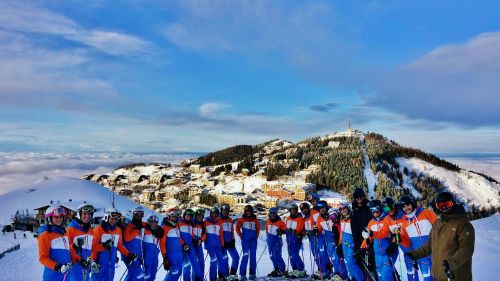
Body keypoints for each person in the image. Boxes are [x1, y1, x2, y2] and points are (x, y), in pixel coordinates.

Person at [407, 192, 475, 281]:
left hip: (455, 275)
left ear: (453, 203)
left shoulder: (463, 224)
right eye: (440, 205)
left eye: (447, 204)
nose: (443, 208)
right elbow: (429, 246)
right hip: (439, 275)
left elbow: (467, 249)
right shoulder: (437, 223)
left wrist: (452, 263)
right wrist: (414, 254)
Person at [399, 195, 438, 281]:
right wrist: (399, 238)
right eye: (403, 206)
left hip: (436, 251)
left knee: (440, 276)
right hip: (421, 255)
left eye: (407, 204)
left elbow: (440, 229)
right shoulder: (404, 222)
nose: (406, 208)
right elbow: (407, 242)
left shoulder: (427, 213)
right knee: (427, 278)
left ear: (412, 203)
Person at [91, 208, 134, 281]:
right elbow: (93, 247)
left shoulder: (118, 230)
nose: (114, 221)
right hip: (99, 263)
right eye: (112, 218)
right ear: (106, 217)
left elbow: (119, 246)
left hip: (111, 264)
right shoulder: (98, 229)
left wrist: (128, 254)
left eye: (116, 219)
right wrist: (94, 260)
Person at [359, 200, 393, 281]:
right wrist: (362, 248)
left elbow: (385, 233)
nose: (375, 212)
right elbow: (368, 237)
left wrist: (393, 245)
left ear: (381, 208)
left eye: (376, 209)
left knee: (386, 277)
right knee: (380, 276)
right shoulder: (371, 222)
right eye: (372, 210)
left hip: (387, 254)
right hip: (377, 255)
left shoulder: (387, 219)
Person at [383, 197, 415, 281]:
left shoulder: (403, 214)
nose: (388, 210)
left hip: (413, 244)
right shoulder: (387, 219)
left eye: (390, 207)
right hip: (404, 246)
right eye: (386, 208)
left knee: (415, 268)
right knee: (410, 268)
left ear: (394, 205)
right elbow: (387, 233)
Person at [37, 205, 73, 281]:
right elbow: (42, 258)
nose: (59, 219)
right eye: (56, 217)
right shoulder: (45, 235)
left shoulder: (65, 233)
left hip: (66, 275)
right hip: (53, 276)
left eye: (61, 217)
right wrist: (57, 267)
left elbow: (67, 252)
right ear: (49, 219)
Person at [67, 203, 99, 281]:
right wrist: (74, 246)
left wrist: (93, 262)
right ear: (79, 214)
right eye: (85, 213)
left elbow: (92, 249)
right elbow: (66, 249)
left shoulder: (91, 232)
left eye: (89, 214)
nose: (87, 216)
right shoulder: (70, 229)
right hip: (74, 269)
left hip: (86, 268)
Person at [317, 207, 347, 280]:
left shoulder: (338, 221)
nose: (332, 218)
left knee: (338, 258)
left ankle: (342, 274)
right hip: (330, 240)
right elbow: (319, 227)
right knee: (333, 257)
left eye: (334, 216)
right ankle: (336, 272)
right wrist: (316, 229)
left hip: (338, 240)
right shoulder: (321, 218)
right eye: (331, 217)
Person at [338, 202, 365, 281]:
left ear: (348, 209)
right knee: (347, 263)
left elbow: (357, 232)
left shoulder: (352, 218)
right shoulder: (342, 219)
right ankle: (353, 278)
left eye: (345, 208)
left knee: (351, 264)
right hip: (344, 245)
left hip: (351, 245)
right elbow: (342, 233)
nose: (343, 210)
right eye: (341, 209)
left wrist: (358, 245)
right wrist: (340, 244)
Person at [204, 207, 229, 281]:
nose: (214, 215)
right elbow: (204, 234)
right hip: (210, 245)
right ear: (210, 214)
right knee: (214, 260)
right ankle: (213, 278)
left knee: (221, 260)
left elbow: (221, 234)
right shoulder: (206, 221)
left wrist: (222, 244)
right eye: (213, 213)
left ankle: (221, 276)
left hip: (218, 245)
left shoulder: (219, 222)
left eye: (216, 213)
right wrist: (206, 246)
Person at [235, 204, 259, 281]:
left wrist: (256, 237)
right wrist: (241, 236)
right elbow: (237, 229)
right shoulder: (241, 219)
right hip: (245, 241)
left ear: (252, 211)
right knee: (245, 256)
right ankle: (242, 274)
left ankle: (252, 274)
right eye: (247, 211)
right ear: (245, 211)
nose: (248, 212)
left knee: (253, 257)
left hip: (253, 241)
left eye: (250, 211)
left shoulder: (255, 219)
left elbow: (258, 229)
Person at [179, 209, 203, 281]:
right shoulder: (179, 222)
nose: (188, 217)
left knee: (196, 264)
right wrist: (183, 244)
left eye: (190, 216)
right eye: (187, 215)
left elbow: (191, 235)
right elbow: (177, 235)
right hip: (183, 247)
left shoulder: (191, 224)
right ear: (184, 215)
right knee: (187, 265)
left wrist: (194, 240)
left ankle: (200, 279)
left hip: (191, 246)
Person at [123, 206, 147, 281]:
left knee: (131, 275)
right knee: (139, 276)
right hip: (129, 255)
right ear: (133, 214)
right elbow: (126, 238)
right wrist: (137, 230)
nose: (139, 216)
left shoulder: (141, 226)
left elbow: (138, 244)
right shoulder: (130, 225)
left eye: (141, 214)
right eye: (137, 214)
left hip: (137, 256)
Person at [161, 208, 184, 281]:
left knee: (179, 272)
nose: (174, 218)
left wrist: (184, 244)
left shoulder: (176, 226)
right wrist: (164, 256)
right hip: (171, 254)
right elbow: (162, 243)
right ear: (168, 216)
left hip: (179, 253)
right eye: (172, 216)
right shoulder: (165, 227)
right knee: (174, 272)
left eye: (176, 216)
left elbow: (178, 238)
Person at [311, 201, 332, 280]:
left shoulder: (331, 214)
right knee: (323, 255)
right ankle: (327, 271)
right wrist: (316, 230)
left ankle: (340, 273)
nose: (321, 209)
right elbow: (318, 227)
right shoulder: (319, 217)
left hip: (333, 239)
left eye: (323, 207)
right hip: (326, 238)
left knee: (334, 257)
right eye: (320, 208)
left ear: (326, 207)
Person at [285, 204, 307, 278]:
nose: (293, 211)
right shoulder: (288, 218)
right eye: (292, 210)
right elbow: (286, 229)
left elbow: (300, 228)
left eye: (295, 210)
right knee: (291, 255)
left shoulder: (300, 218)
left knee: (295, 254)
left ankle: (301, 269)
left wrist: (295, 231)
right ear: (290, 211)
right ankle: (295, 269)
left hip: (296, 239)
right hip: (289, 239)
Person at [265, 207, 287, 277]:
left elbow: (286, 230)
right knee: (272, 256)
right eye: (271, 213)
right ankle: (276, 269)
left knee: (277, 256)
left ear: (276, 214)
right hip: (270, 242)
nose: (272, 215)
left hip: (277, 241)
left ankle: (282, 270)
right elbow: (266, 230)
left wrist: (281, 231)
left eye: (274, 213)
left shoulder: (280, 222)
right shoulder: (268, 221)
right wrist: (268, 238)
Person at [220, 204, 240, 280]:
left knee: (236, 257)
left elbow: (231, 231)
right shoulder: (219, 220)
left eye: (226, 210)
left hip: (230, 243)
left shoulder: (230, 220)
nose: (225, 212)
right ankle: (225, 276)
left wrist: (233, 240)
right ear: (221, 211)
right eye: (223, 210)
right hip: (222, 244)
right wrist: (222, 242)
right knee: (225, 259)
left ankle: (232, 274)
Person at [143, 215, 164, 281]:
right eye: (151, 222)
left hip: (154, 254)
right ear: (148, 222)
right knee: (145, 274)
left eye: (155, 222)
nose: (153, 224)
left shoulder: (158, 230)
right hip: (146, 254)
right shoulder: (144, 229)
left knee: (153, 272)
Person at [193, 209, 207, 279]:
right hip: (192, 245)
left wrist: (201, 240)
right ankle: (195, 278)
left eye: (201, 216)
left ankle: (201, 277)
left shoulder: (202, 224)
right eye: (198, 216)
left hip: (199, 245)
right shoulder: (192, 223)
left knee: (201, 261)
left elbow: (204, 234)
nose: (199, 217)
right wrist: (193, 239)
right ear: (195, 216)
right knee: (194, 262)